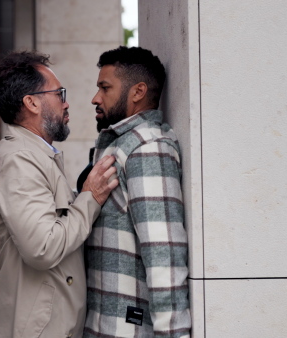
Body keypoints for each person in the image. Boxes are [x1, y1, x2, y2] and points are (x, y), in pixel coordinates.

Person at [0, 50, 119, 338]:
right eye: (59, 93)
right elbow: (42, 248)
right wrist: (90, 198)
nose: (66, 103)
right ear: (32, 102)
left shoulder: (35, 155)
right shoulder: (20, 161)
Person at [81, 46, 191, 337]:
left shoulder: (148, 148)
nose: (95, 98)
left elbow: (164, 254)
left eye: (105, 88)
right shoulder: (120, 144)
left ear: (138, 91)